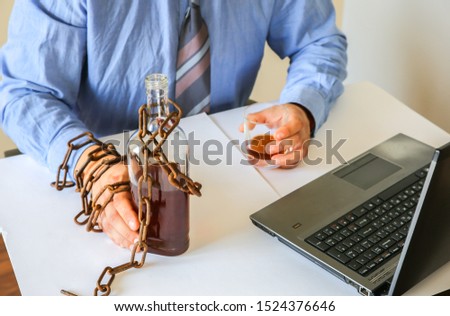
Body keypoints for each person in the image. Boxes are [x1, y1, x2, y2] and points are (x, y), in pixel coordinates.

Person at [0, 0, 347, 250]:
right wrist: (90, 166)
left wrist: (303, 106)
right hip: (107, 172)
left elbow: (319, 42)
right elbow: (24, 92)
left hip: (235, 170)